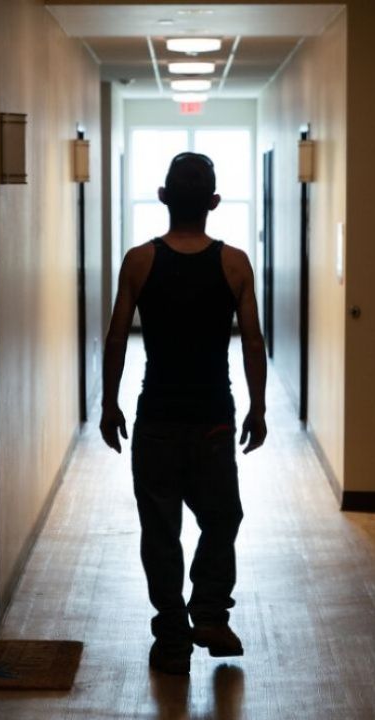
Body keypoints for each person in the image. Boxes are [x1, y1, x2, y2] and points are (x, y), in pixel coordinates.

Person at [100, 152, 268, 676]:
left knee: (160, 529)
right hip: (214, 417)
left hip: (156, 421)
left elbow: (115, 338)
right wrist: (258, 408)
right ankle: (210, 613)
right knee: (223, 518)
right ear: (214, 203)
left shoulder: (139, 261)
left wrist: (109, 404)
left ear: (164, 196)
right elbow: (253, 343)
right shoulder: (234, 263)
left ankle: (174, 632)